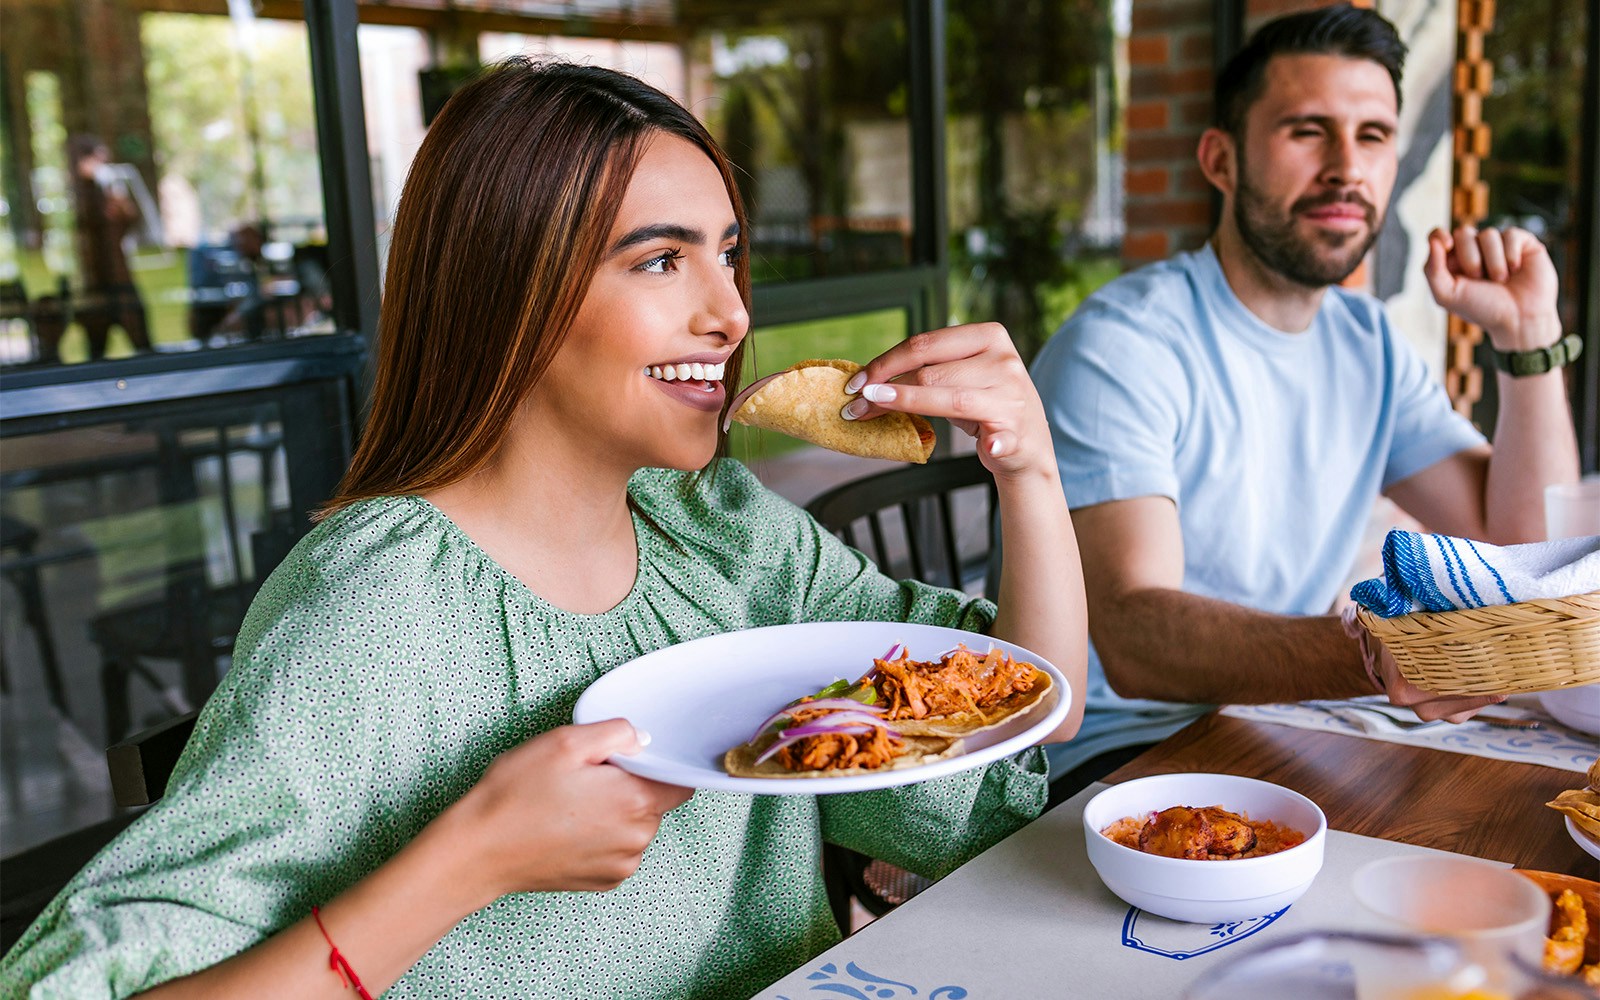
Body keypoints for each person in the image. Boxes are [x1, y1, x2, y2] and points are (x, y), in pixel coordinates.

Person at [1, 60, 1087, 999]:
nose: (732, 314)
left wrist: (1027, 466)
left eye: (728, 252)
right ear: (508, 289)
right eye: (660, 260)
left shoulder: (720, 536)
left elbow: (1020, 721)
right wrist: (470, 859)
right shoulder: (372, 617)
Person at [1028, 4, 1580, 793]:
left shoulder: (1369, 342)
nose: (1346, 169)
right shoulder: (1125, 346)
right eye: (1306, 131)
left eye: (1374, 136)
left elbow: (1521, 541)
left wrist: (1528, 341)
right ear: (1221, 160)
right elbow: (1134, 637)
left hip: (1273, 724)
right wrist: (1377, 651)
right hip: (1111, 757)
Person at [67, 134, 153, 360]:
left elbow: (127, 221)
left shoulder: (108, 190)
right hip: (97, 282)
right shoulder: (83, 195)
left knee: (142, 345)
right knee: (97, 350)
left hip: (118, 277)